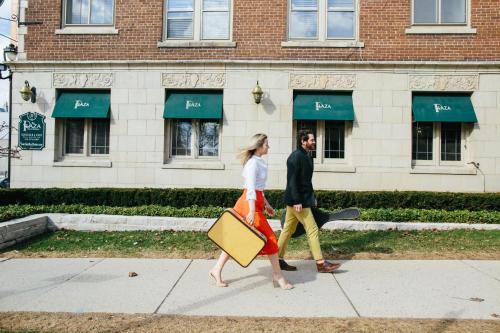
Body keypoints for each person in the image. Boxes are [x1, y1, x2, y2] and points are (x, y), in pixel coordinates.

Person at [209, 133, 293, 290]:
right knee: (270, 238)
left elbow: (259, 189)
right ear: (260, 146)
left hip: (254, 202)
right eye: (267, 144)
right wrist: (252, 211)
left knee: (238, 238)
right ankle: (278, 274)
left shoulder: (258, 162)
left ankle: (216, 269)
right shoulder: (253, 164)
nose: (269, 146)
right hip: (249, 205)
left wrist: (266, 205)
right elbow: (250, 189)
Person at [277, 129, 341, 273]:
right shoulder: (295, 157)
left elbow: (306, 181)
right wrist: (297, 201)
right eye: (312, 140)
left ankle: (277, 259)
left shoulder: (308, 156)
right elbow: (292, 181)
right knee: (312, 230)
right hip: (298, 201)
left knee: (287, 230)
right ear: (303, 141)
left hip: (303, 199)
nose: (314, 142)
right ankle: (320, 263)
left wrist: (313, 197)